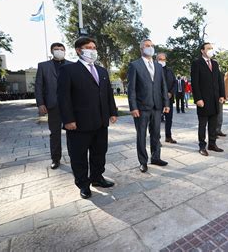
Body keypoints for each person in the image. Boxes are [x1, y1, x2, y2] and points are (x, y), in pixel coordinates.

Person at [57, 37, 118, 199]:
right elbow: (63, 98)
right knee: (79, 156)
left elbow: (108, 94)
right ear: (78, 50)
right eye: (88, 47)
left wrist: (113, 112)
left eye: (94, 47)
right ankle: (83, 184)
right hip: (79, 124)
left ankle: (97, 178)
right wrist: (68, 120)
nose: (92, 50)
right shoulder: (68, 70)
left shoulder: (102, 71)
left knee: (99, 153)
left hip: (100, 122)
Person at [127, 39, 170, 173]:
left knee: (156, 134)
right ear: (141, 48)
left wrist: (166, 103)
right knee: (141, 135)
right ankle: (143, 161)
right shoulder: (134, 65)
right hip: (141, 107)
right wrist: (133, 107)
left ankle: (156, 157)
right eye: (147, 46)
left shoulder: (158, 66)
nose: (150, 48)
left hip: (157, 106)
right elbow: (131, 88)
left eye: (152, 46)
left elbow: (163, 85)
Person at [35, 42, 72, 170]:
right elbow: (38, 86)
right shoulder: (43, 66)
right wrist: (40, 103)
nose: (59, 51)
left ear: (65, 51)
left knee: (72, 132)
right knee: (55, 133)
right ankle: (55, 159)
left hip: (70, 105)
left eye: (61, 49)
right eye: (56, 49)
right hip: (53, 105)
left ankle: (74, 157)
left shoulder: (72, 65)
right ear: (52, 51)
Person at [190, 42, 225, 156]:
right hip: (203, 100)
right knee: (202, 124)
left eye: (211, 48)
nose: (210, 50)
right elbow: (195, 83)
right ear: (202, 50)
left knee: (213, 124)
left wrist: (221, 95)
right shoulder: (197, 63)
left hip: (215, 99)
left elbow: (219, 80)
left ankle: (212, 144)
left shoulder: (215, 63)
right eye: (208, 48)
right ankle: (202, 146)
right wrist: (198, 99)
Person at [157, 53, 178, 144]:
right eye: (160, 59)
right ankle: (156, 139)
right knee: (156, 121)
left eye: (164, 59)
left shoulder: (170, 70)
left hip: (169, 99)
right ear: (156, 60)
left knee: (169, 119)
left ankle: (168, 137)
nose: (162, 61)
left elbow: (175, 83)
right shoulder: (154, 70)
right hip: (158, 100)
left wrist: (171, 93)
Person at [216, 71, 227, 137]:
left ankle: (218, 130)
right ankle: (213, 132)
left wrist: (223, 96)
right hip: (211, 98)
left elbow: (222, 85)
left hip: (219, 97)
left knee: (220, 115)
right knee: (213, 116)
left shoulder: (220, 74)